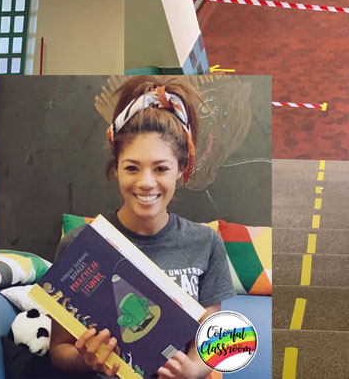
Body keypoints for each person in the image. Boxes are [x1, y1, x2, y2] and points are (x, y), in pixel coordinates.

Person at [49, 76, 236, 379]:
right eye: (132, 168)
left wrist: (192, 371)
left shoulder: (206, 243)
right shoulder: (80, 244)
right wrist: (85, 359)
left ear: (181, 169)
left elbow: (210, 343)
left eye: (161, 168)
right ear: (116, 169)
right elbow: (59, 350)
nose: (146, 182)